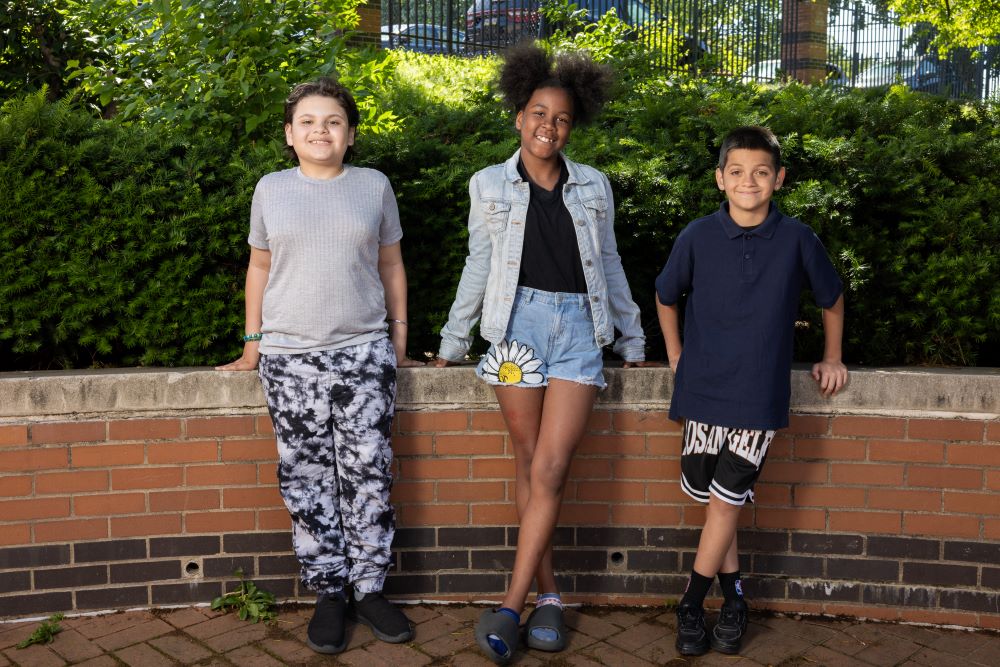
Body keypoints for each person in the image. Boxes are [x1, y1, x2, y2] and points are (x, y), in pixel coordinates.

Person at [432, 42, 655, 664]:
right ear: (517, 115)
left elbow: (606, 264)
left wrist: (632, 337)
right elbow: (480, 265)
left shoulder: (594, 186)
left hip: (579, 329)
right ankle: (550, 598)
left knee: (551, 469)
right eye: (536, 113)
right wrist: (454, 341)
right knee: (530, 461)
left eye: (559, 118)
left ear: (571, 124)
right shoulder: (488, 184)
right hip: (515, 328)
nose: (547, 126)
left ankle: (509, 605)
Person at [216, 76, 422, 655]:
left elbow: (391, 265)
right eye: (307, 121)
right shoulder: (271, 190)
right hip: (287, 360)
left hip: (363, 354)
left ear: (351, 134)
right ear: (289, 134)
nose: (320, 131)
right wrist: (253, 344)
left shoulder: (373, 187)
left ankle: (370, 588)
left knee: (368, 476)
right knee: (306, 481)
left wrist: (399, 339)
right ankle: (330, 592)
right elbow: (259, 268)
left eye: (332, 121)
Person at [655, 125, 848, 656]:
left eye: (761, 172)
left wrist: (831, 356)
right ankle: (736, 600)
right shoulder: (696, 235)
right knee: (720, 503)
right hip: (701, 391)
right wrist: (675, 354)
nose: (749, 181)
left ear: (779, 179)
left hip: (757, 397)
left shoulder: (798, 239)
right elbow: (665, 295)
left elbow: (831, 299)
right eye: (736, 172)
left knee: (722, 505)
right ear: (720, 179)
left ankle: (690, 605)